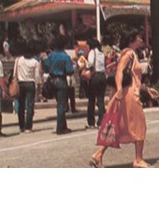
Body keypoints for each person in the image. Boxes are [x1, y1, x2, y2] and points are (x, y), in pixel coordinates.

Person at [89, 31, 151, 168]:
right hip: (129, 95)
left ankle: (98, 154)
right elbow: (119, 72)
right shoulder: (129, 53)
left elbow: (133, 77)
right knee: (139, 124)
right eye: (139, 37)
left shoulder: (128, 53)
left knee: (118, 125)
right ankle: (138, 158)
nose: (141, 39)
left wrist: (146, 90)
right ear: (132, 39)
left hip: (127, 93)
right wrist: (118, 89)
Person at [42, 35, 74, 134]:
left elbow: (46, 66)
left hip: (52, 80)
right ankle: (60, 128)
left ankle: (64, 125)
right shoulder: (65, 57)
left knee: (60, 104)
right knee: (62, 105)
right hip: (61, 80)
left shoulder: (51, 56)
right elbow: (69, 70)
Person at [16, 42, 41, 133]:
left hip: (21, 83)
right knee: (29, 105)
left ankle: (21, 125)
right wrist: (38, 85)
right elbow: (37, 76)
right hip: (30, 83)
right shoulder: (35, 62)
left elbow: (16, 72)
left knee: (21, 105)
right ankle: (28, 126)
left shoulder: (19, 60)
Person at [86, 38, 107, 129]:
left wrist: (85, 65)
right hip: (102, 76)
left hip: (95, 76)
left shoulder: (92, 52)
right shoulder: (101, 53)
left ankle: (91, 121)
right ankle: (101, 121)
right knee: (100, 99)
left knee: (91, 99)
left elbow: (90, 63)